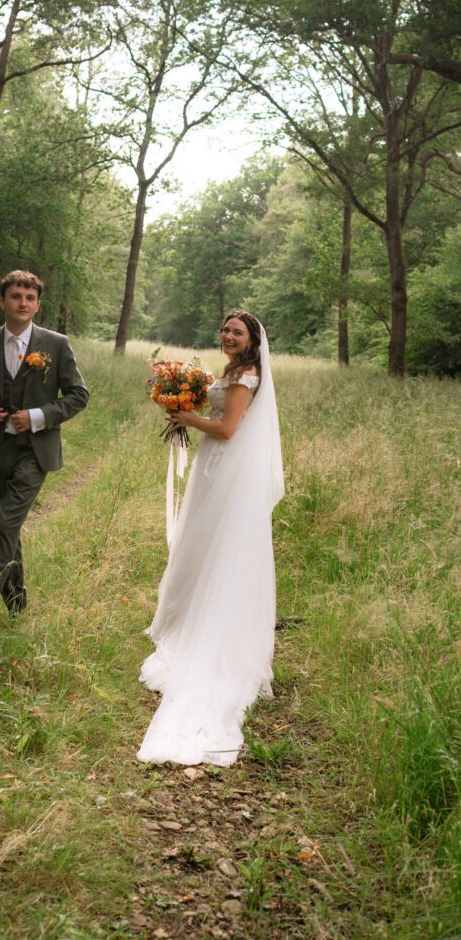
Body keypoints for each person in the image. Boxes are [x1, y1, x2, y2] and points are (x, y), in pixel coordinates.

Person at [137, 311, 284, 766]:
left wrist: (188, 417)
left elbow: (227, 429)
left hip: (227, 469)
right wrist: (188, 413)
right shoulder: (232, 371)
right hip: (215, 466)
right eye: (224, 330)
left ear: (252, 339)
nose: (227, 336)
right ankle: (190, 616)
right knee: (199, 545)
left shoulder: (249, 375)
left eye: (236, 332)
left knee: (217, 548)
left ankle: (213, 631)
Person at [0, 270, 89, 645]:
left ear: (37, 304)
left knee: (4, 528)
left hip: (34, 452)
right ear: (3, 301)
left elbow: (78, 394)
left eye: (29, 298)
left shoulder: (56, 344)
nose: (22, 303)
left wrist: (39, 416)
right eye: (15, 296)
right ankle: (17, 600)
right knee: (5, 529)